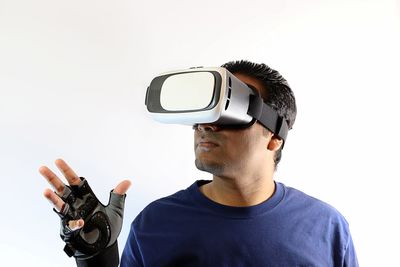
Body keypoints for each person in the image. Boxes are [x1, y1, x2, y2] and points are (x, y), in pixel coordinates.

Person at [40, 60, 358, 266]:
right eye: (204, 113)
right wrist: (96, 255)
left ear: (275, 137)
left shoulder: (327, 229)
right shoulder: (155, 225)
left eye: (230, 111)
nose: (206, 125)